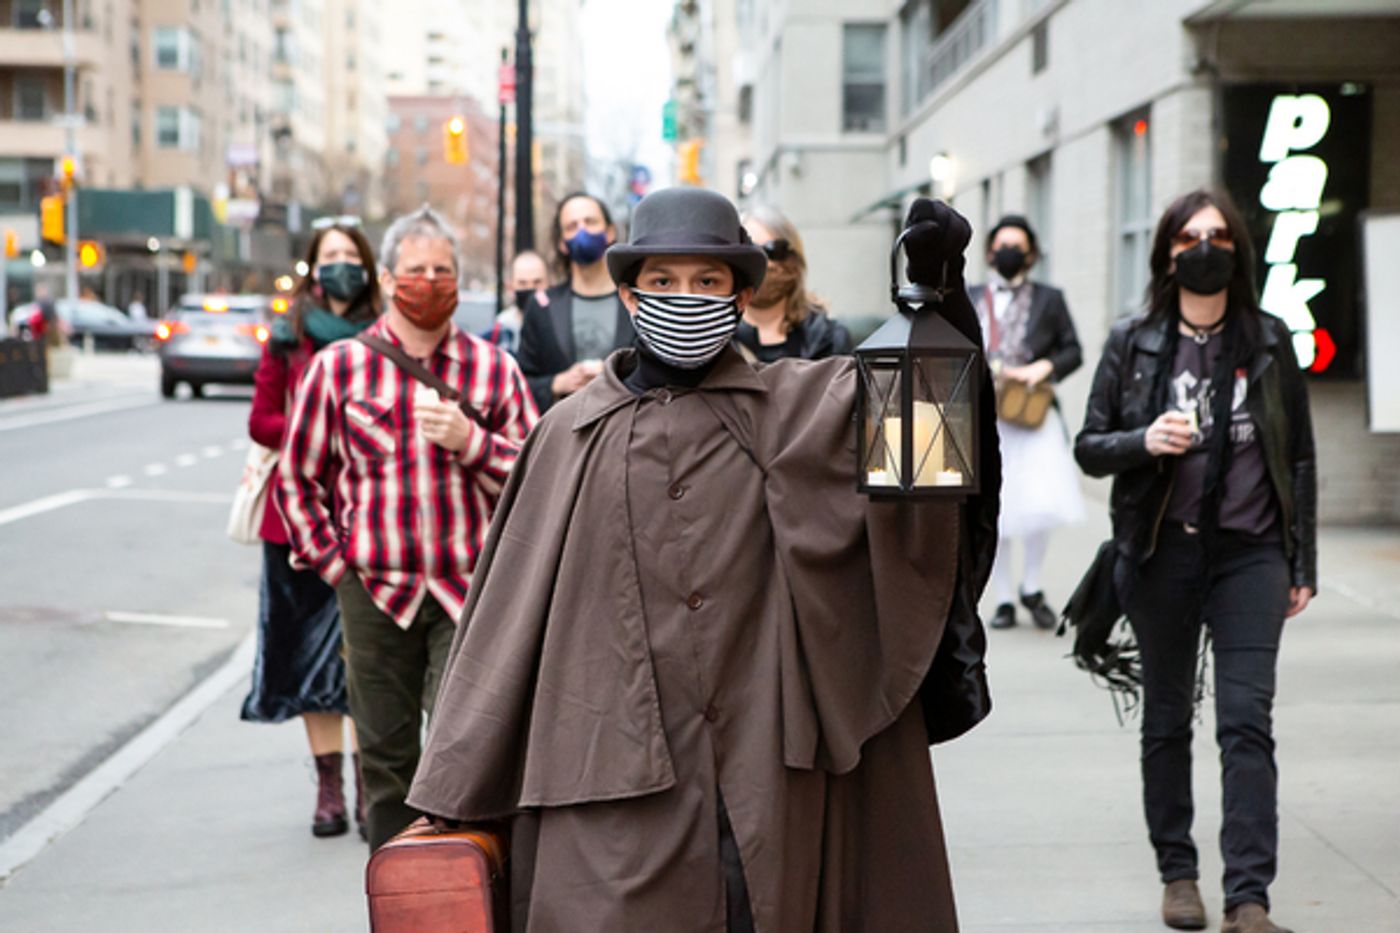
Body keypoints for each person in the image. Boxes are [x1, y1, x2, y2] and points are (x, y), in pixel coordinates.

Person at [408, 188, 1000, 931]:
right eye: (662, 282)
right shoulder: (567, 435)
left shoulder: (800, 408)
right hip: (613, 801)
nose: (683, 299)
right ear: (628, 293)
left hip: (768, 786)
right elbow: (509, 615)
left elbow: (933, 443)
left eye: (707, 282)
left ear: (741, 295)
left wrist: (936, 302)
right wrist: (457, 778)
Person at [1075, 190, 1316, 933]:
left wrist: (1301, 557)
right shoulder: (1135, 339)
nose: (1204, 247)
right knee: (1168, 717)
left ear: (1238, 250)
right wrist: (1143, 439)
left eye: (1218, 235)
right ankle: (1178, 873)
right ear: (1167, 253)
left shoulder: (1270, 340)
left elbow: (1300, 457)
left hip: (1251, 556)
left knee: (1247, 721)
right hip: (1160, 553)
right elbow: (1089, 446)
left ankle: (1249, 897)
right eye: (1189, 236)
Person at [277, 205, 538, 849]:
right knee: (387, 761)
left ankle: (475, 893)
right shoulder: (338, 369)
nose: (431, 281)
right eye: (417, 270)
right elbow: (296, 480)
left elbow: (538, 479)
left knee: (469, 755)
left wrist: (472, 441)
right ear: (390, 280)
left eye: (443, 270)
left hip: (469, 592)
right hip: (374, 593)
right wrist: (339, 568)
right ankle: (399, 899)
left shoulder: (492, 369)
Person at [243, 221, 380, 839]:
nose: (341, 267)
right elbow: (261, 420)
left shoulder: (386, 333)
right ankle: (329, 788)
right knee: (306, 662)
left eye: (352, 256)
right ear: (312, 266)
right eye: (330, 257)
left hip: (371, 516)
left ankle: (371, 784)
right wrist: (318, 429)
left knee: (365, 658)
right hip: (293, 521)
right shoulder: (286, 335)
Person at [969, 215, 1085, 630]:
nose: (1009, 253)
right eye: (1002, 245)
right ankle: (1001, 596)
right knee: (996, 507)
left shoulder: (1050, 300)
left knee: (1037, 503)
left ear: (1032, 254)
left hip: (1033, 414)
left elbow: (1074, 350)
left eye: (1018, 246)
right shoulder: (970, 296)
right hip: (986, 415)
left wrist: (1042, 368)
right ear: (989, 251)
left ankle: (1032, 585)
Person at [515, 192, 634, 411]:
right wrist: (557, 383)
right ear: (562, 243)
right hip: (563, 435)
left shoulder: (636, 302)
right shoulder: (542, 308)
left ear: (609, 232)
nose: (582, 231)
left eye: (590, 222)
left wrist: (612, 374)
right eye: (571, 226)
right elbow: (519, 383)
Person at [735, 206, 852, 362]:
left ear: (795, 259)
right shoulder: (715, 340)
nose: (765, 263)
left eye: (774, 250)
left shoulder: (829, 338)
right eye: (751, 251)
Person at [483, 250, 548, 355]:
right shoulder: (500, 331)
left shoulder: (559, 326)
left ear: (548, 284)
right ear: (510, 286)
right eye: (522, 283)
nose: (530, 288)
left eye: (537, 282)